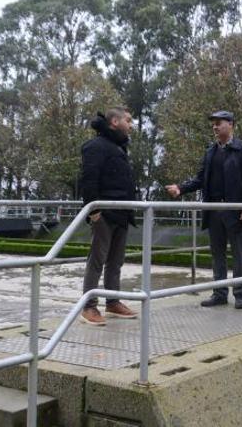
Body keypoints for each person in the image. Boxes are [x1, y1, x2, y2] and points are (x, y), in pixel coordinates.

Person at [166, 110, 242, 309]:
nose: (215, 127)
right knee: (217, 254)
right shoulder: (210, 151)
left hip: (236, 210)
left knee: (239, 255)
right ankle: (219, 293)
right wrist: (180, 188)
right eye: (213, 124)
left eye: (219, 123)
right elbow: (200, 179)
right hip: (214, 209)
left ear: (231, 124)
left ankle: (240, 294)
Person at [78, 107, 138, 325]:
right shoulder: (95, 146)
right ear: (114, 121)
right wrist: (94, 211)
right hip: (104, 213)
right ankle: (88, 306)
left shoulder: (118, 147)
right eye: (128, 120)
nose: (131, 124)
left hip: (122, 213)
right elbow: (88, 180)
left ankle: (112, 302)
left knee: (116, 262)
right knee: (97, 260)